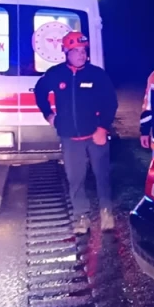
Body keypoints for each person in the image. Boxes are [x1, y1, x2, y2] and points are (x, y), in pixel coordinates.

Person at [35, 31, 119, 234]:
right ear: (66, 52)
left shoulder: (97, 74)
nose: (82, 55)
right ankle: (81, 216)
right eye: (77, 51)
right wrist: (49, 114)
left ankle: (106, 211)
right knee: (75, 179)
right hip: (70, 138)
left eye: (84, 51)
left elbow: (111, 102)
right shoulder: (56, 74)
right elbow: (39, 91)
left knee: (102, 175)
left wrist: (103, 128)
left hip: (95, 134)